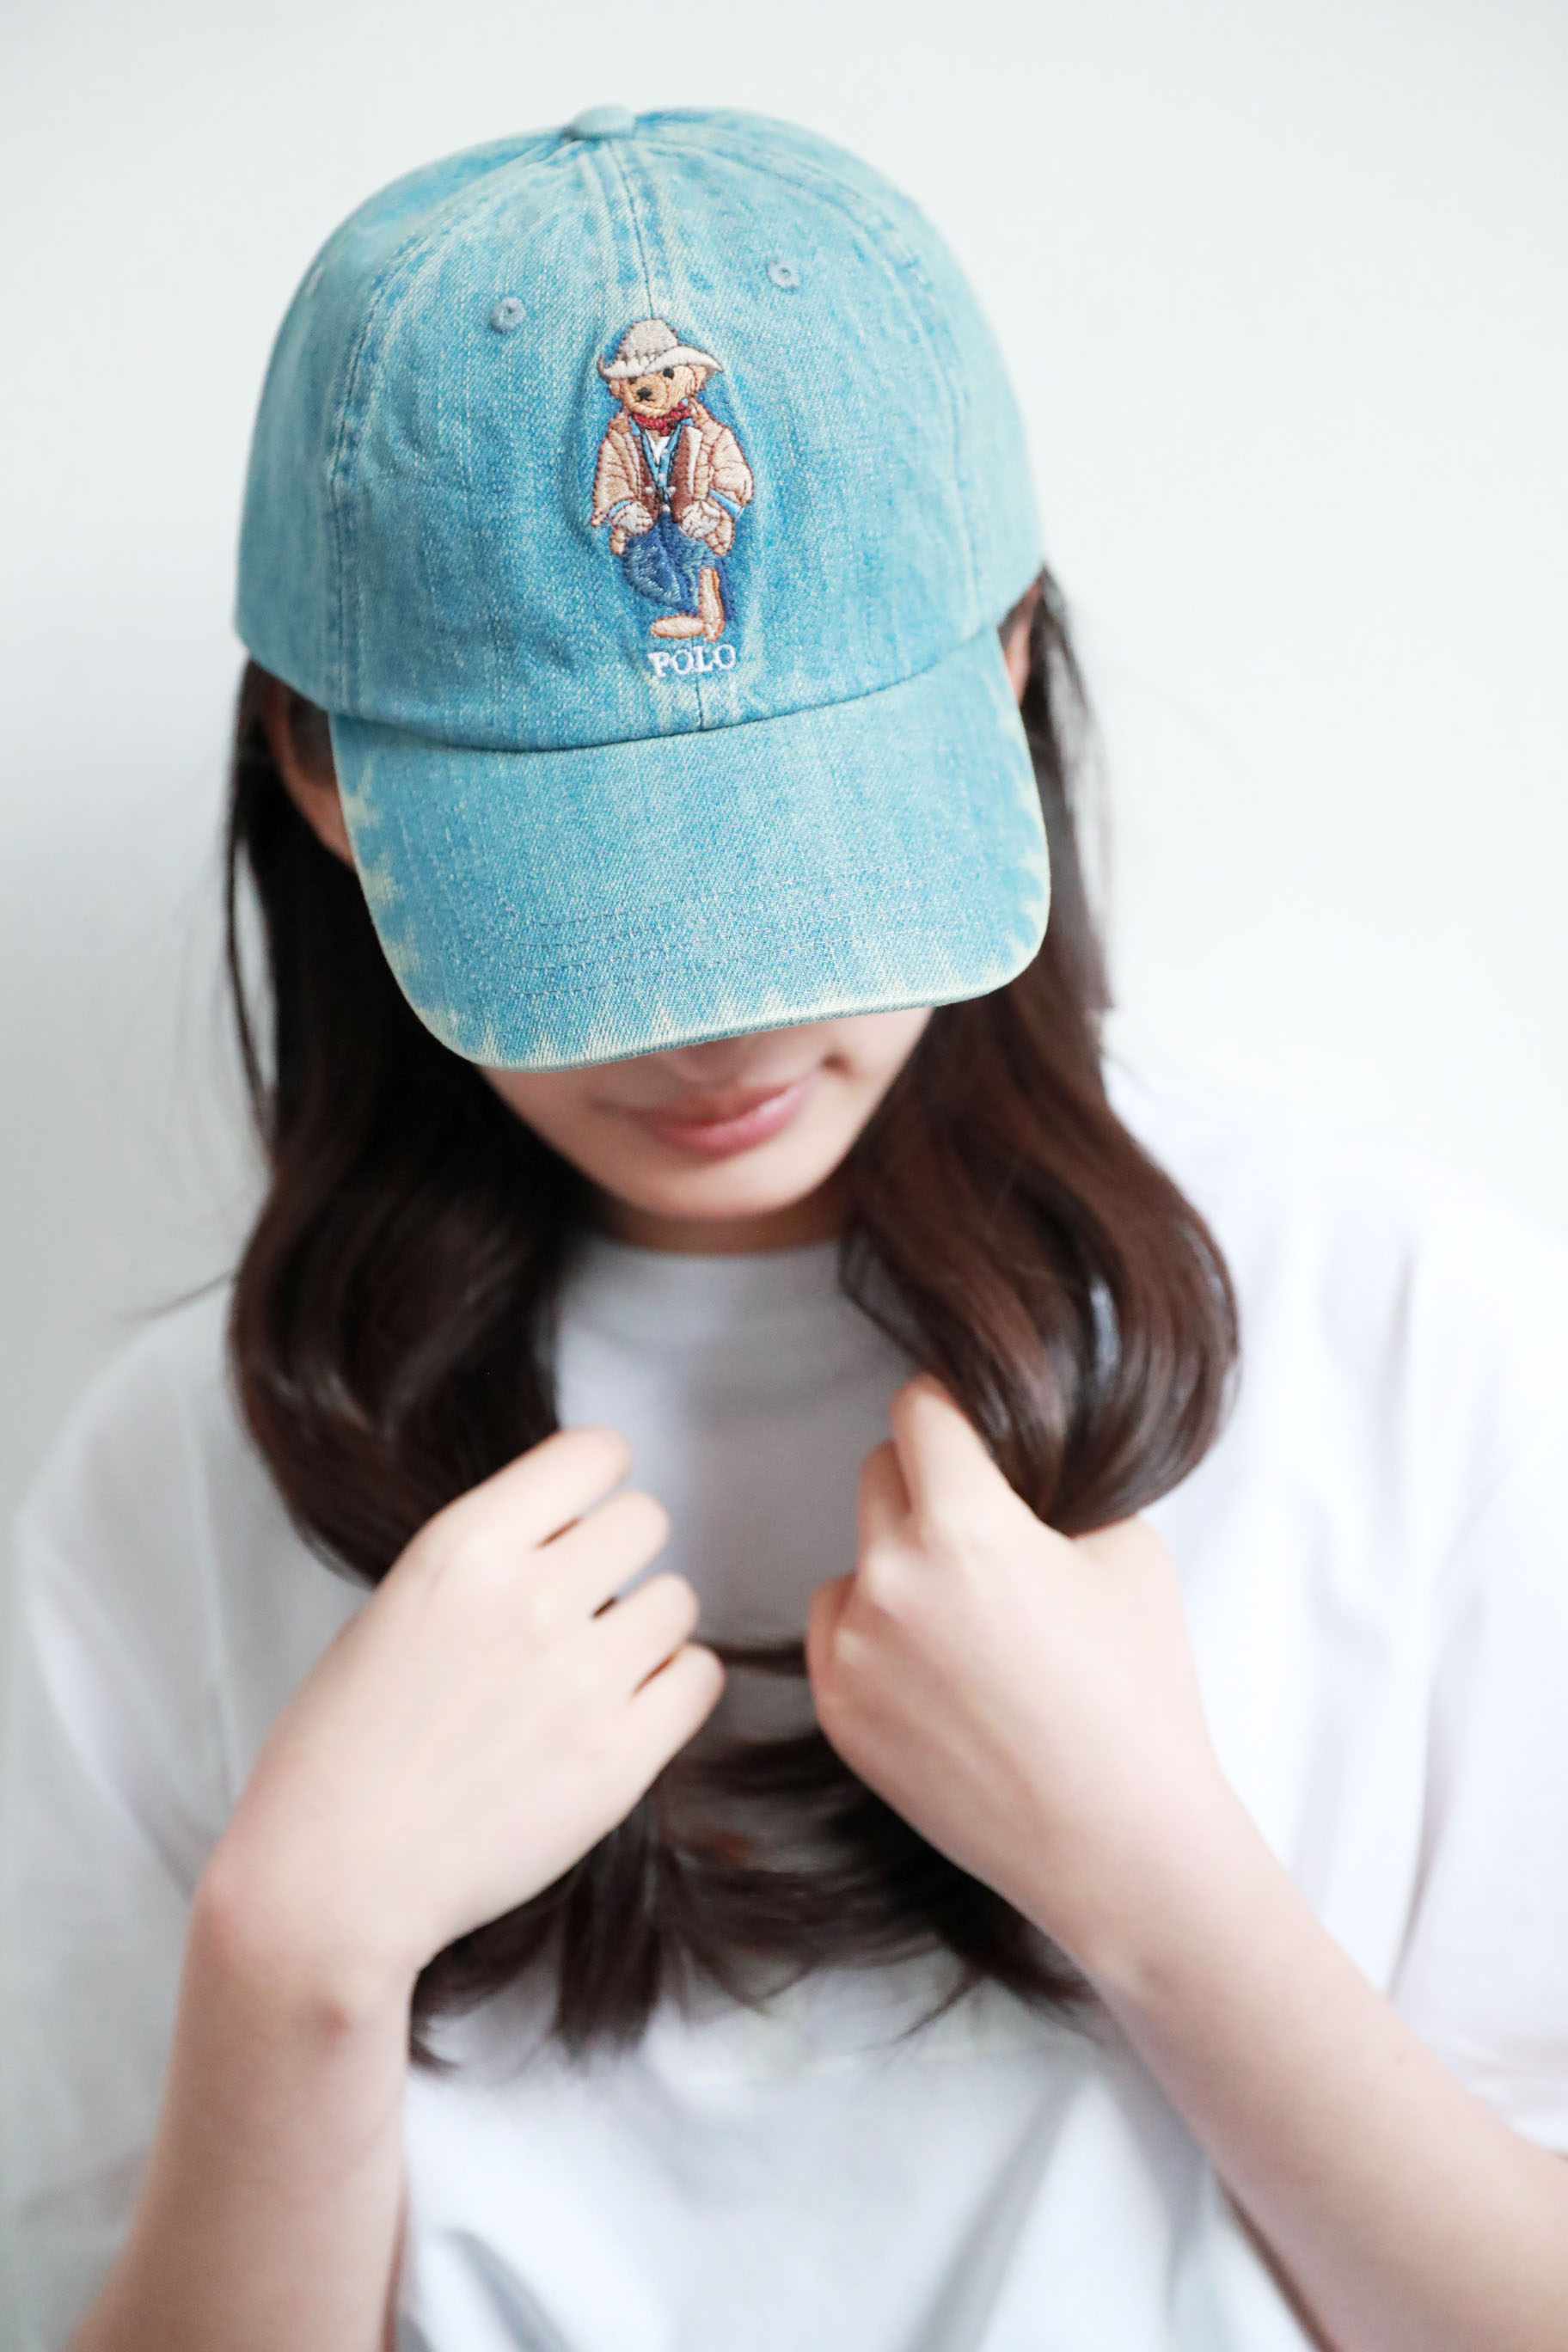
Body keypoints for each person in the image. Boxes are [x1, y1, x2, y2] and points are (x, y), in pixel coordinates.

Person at [3, 103, 1566, 2352]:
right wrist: (296, 1966)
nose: (725, 1019)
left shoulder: (1412, 1339)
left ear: (1009, 664)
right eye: (601, 894)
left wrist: (1169, 1893)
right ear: (324, 778)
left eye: (802, 865)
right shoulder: (173, 1484)